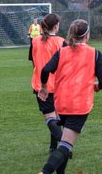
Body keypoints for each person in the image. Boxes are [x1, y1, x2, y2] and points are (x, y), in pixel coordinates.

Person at [37, 19, 102, 174]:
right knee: (65, 146)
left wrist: (43, 87)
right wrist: (96, 87)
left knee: (64, 142)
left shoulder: (62, 52)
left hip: (61, 103)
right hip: (79, 106)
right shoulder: (95, 53)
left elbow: (44, 70)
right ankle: (45, 172)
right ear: (87, 36)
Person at [30, 13, 66, 153]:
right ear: (56, 26)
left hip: (40, 85)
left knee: (51, 119)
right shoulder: (61, 42)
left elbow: (33, 62)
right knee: (55, 118)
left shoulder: (34, 41)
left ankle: (55, 147)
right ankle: (63, 145)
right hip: (58, 85)